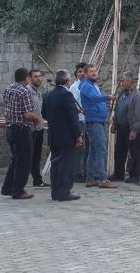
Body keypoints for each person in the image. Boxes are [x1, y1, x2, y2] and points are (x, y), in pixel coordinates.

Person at [42, 69, 83, 201]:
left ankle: (55, 192)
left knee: (56, 164)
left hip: (53, 134)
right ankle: (64, 191)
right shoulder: (67, 95)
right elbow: (72, 117)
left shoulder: (48, 95)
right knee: (66, 164)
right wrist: (78, 134)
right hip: (66, 136)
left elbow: (44, 114)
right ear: (67, 81)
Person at [0, 67, 40, 199]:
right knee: (24, 161)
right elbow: (28, 114)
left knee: (16, 159)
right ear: (26, 78)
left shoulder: (8, 89)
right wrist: (36, 120)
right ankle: (18, 190)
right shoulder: (24, 91)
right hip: (22, 129)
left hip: (10, 128)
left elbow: (5, 107)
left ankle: (8, 187)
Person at [78, 64, 116, 188]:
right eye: (91, 71)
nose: (94, 73)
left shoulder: (92, 85)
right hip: (94, 121)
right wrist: (107, 97)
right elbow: (93, 97)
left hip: (96, 121)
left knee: (94, 151)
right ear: (85, 73)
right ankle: (103, 179)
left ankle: (90, 178)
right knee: (100, 150)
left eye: (95, 71)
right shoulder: (86, 85)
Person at [110, 71, 140, 183]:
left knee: (134, 153)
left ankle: (134, 176)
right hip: (121, 128)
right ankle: (118, 174)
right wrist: (114, 124)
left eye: (123, 81)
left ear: (131, 82)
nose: (121, 83)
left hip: (132, 129)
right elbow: (117, 110)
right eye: (121, 80)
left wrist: (135, 130)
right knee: (119, 152)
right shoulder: (121, 94)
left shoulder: (137, 96)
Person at [26, 69, 49, 188]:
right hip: (30, 128)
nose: (38, 78)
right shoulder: (27, 91)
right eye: (35, 76)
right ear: (30, 78)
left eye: (40, 76)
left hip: (39, 127)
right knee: (28, 155)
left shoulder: (40, 91)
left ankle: (37, 180)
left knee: (36, 155)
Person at [69, 62, 90, 182]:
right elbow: (72, 106)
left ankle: (87, 172)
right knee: (79, 147)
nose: (82, 74)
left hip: (89, 119)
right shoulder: (74, 87)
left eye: (84, 71)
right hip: (80, 120)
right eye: (79, 72)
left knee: (89, 147)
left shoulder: (92, 85)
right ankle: (77, 172)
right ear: (76, 74)